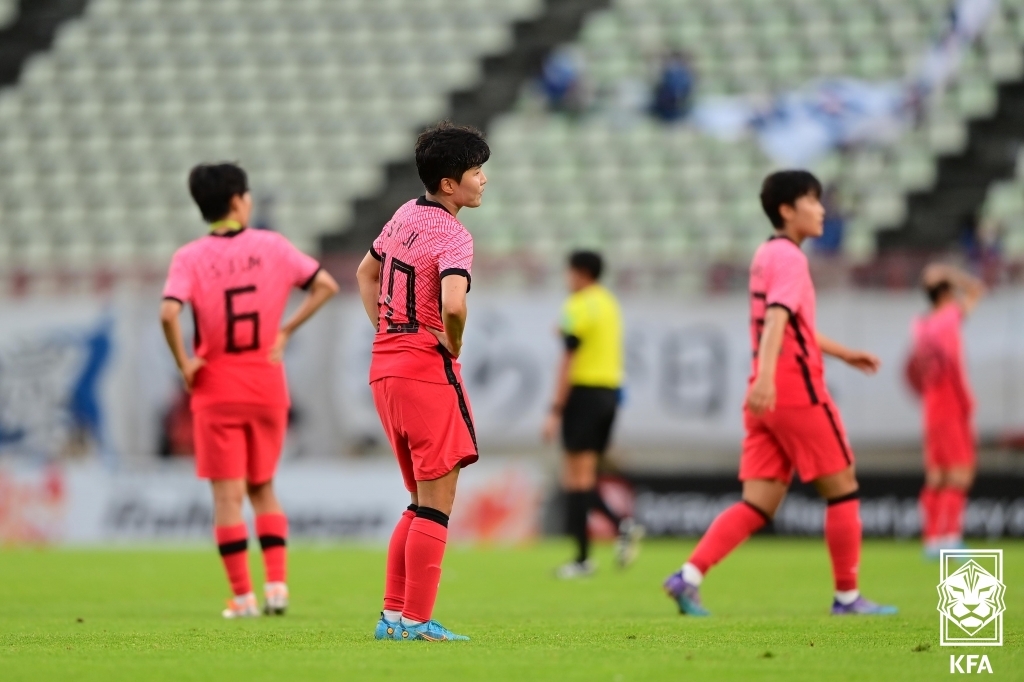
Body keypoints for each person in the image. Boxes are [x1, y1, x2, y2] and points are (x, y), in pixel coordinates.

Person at [662, 170, 897, 617]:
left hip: (764, 394)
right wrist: (771, 378)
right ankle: (847, 598)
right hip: (792, 388)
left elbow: (794, 325)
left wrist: (843, 355)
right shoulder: (790, 258)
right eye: (813, 200)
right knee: (843, 489)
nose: (822, 209)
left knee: (758, 502)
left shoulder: (767, 254)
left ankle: (688, 577)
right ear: (788, 210)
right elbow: (776, 318)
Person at [160, 163, 340, 618]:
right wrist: (285, 332)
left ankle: (242, 598)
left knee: (227, 497)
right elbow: (325, 285)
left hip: (216, 386)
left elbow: (168, 313)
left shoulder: (189, 256)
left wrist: (185, 363)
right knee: (263, 488)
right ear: (240, 200)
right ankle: (277, 587)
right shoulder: (272, 246)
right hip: (266, 383)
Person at [355, 121, 489, 642]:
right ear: (451, 184)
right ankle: (416, 621)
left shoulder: (403, 215)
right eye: (477, 172)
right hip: (425, 369)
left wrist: (390, 328)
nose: (483, 181)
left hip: (385, 363)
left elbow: (367, 274)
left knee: (416, 500)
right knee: (437, 501)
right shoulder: (454, 234)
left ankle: (392, 618)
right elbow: (453, 302)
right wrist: (451, 340)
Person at [542, 251, 643, 578]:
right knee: (582, 477)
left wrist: (555, 409)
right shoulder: (610, 304)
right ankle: (618, 528)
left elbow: (568, 357)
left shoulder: (578, 304)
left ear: (580, 273)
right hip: (609, 396)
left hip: (583, 394)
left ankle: (585, 557)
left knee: (576, 478)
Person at [907, 263, 984, 558]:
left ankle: (932, 540)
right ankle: (951, 538)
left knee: (936, 476)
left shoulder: (920, 324)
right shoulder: (949, 317)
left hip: (931, 408)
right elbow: (977, 290)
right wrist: (952, 274)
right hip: (952, 404)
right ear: (947, 293)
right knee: (960, 474)